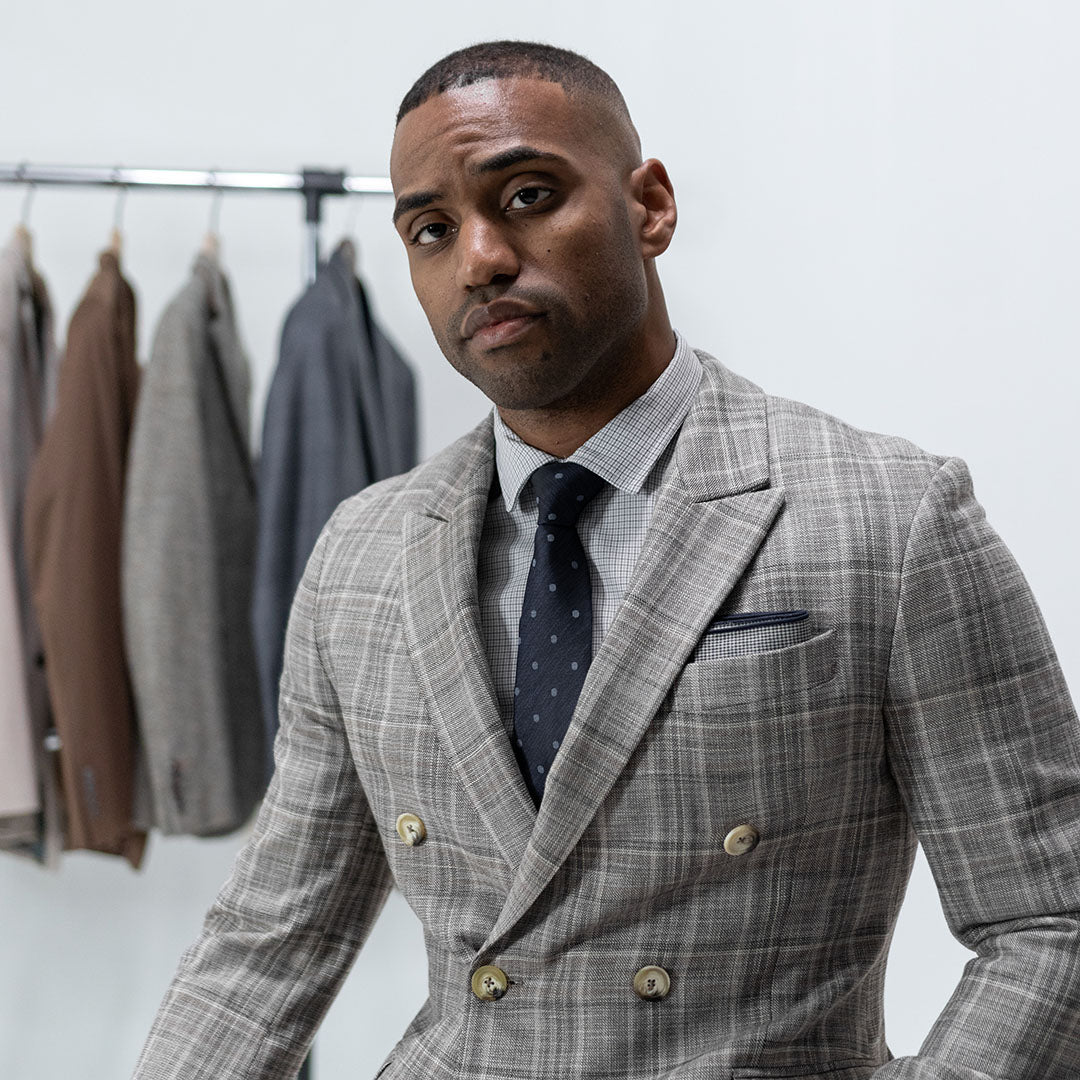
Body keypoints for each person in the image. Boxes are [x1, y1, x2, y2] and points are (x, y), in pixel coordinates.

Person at [134, 41, 1080, 1080]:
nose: (481, 257)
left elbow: (1050, 920)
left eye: (529, 194)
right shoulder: (363, 555)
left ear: (651, 206)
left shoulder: (890, 519)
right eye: (432, 229)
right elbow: (268, 946)